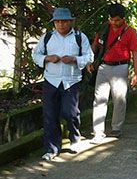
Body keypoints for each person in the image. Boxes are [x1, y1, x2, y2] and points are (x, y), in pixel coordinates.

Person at [32, 8, 94, 161]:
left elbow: (89, 56)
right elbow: (35, 54)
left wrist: (74, 59)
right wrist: (47, 58)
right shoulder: (47, 37)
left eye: (64, 21)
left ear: (70, 22)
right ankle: (52, 148)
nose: (61, 25)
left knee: (70, 112)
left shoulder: (80, 37)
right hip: (51, 80)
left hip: (71, 81)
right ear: (54, 23)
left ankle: (75, 137)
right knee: (50, 115)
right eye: (58, 22)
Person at [89, 4, 137, 143]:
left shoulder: (130, 32)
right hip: (103, 66)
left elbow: (135, 53)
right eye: (111, 19)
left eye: (117, 20)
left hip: (120, 67)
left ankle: (116, 127)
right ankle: (98, 132)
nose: (114, 22)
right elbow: (95, 46)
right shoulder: (104, 28)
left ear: (123, 19)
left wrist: (135, 73)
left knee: (119, 99)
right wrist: (89, 61)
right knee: (99, 99)